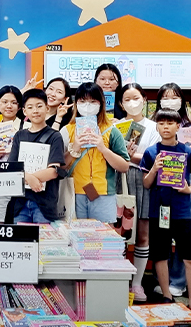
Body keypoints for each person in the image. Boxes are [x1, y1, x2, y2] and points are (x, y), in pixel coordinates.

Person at [140, 109, 191, 323]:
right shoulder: (151, 152)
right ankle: (166, 296)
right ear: (157, 126)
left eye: (170, 123)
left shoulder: (187, 151)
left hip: (181, 212)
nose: (166, 127)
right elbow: (146, 183)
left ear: (178, 126)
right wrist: (154, 169)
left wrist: (189, 189)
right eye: (161, 123)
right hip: (158, 211)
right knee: (161, 255)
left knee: (189, 257)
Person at [60, 82, 129, 223]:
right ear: (76, 104)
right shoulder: (67, 130)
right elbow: (60, 166)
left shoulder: (112, 131)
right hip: (74, 192)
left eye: (93, 101)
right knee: (75, 233)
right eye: (83, 101)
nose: (87, 106)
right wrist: (74, 148)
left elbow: (124, 166)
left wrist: (103, 149)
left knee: (103, 234)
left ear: (101, 103)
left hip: (104, 194)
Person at [119, 83, 161, 302]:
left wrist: (129, 156)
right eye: (127, 99)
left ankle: (137, 284)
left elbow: (154, 158)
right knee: (119, 231)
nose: (132, 103)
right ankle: (119, 281)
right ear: (120, 103)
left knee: (143, 232)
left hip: (145, 179)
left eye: (136, 98)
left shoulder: (154, 127)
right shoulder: (116, 126)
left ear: (144, 100)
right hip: (119, 178)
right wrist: (126, 157)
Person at [8, 89, 65, 223]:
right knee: (21, 237)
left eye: (39, 106)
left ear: (47, 108)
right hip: (20, 202)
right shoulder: (19, 135)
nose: (35, 111)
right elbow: (11, 168)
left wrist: (29, 178)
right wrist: (29, 178)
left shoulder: (55, 136)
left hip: (44, 204)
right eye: (30, 107)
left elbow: (53, 171)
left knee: (44, 236)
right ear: (24, 111)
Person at [0, 85, 29, 223]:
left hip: (25, 182)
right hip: (3, 183)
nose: (9, 106)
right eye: (4, 102)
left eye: (13, 102)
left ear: (19, 107)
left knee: (22, 222)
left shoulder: (29, 127)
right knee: (1, 221)